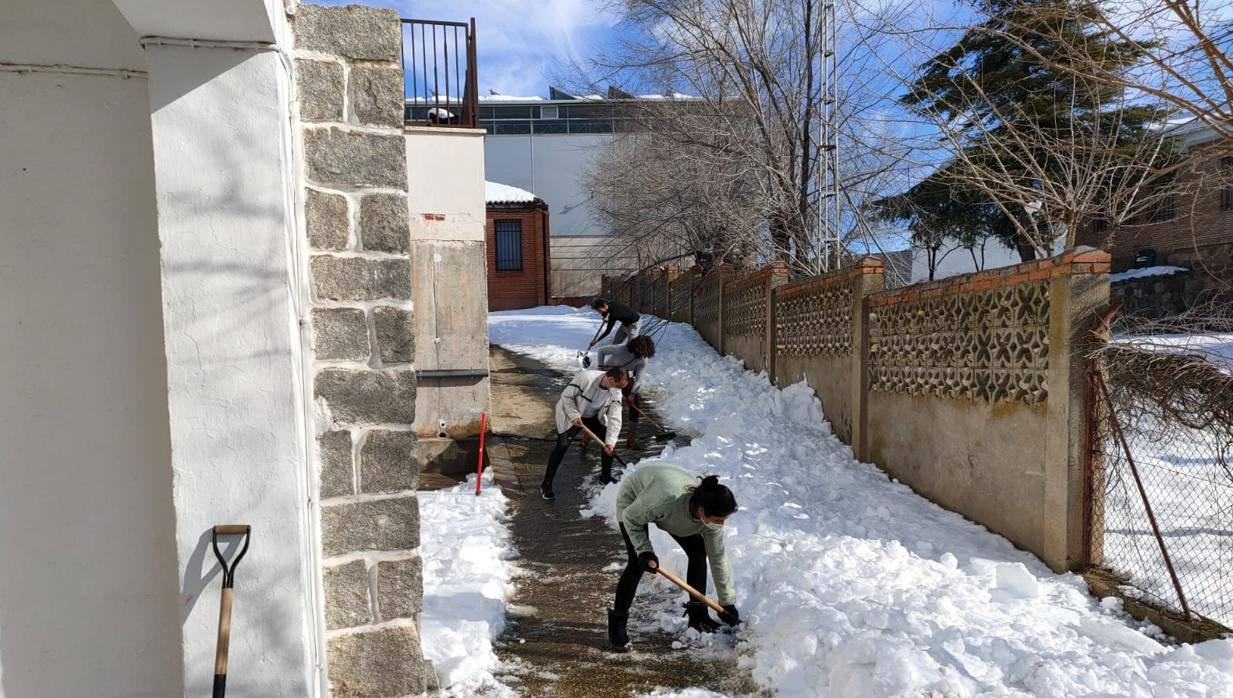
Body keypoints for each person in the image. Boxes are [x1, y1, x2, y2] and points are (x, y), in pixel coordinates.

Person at [607, 463, 740, 649]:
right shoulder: (665, 501)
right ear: (702, 511)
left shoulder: (708, 519)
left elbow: (718, 557)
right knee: (637, 563)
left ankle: (698, 615)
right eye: (718, 520)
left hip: (672, 510)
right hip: (635, 500)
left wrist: (727, 602)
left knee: (698, 552)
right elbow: (631, 516)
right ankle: (617, 626)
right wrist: (644, 550)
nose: (721, 525)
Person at [542, 367, 630, 500]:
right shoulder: (586, 378)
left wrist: (611, 443)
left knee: (608, 444)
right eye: (618, 387)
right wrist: (574, 416)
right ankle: (546, 485)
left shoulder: (616, 392)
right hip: (571, 413)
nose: (619, 391)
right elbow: (566, 396)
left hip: (593, 416)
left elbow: (615, 418)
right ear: (611, 379)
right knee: (562, 446)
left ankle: (605, 478)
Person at [596, 335, 656, 450]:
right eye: (640, 353)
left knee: (635, 406)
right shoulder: (621, 349)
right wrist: (600, 370)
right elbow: (601, 351)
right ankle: (587, 438)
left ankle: (631, 439)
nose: (642, 357)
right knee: (602, 404)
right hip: (608, 376)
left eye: (644, 354)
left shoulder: (643, 359)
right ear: (635, 347)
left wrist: (632, 394)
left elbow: (639, 379)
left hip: (625, 378)